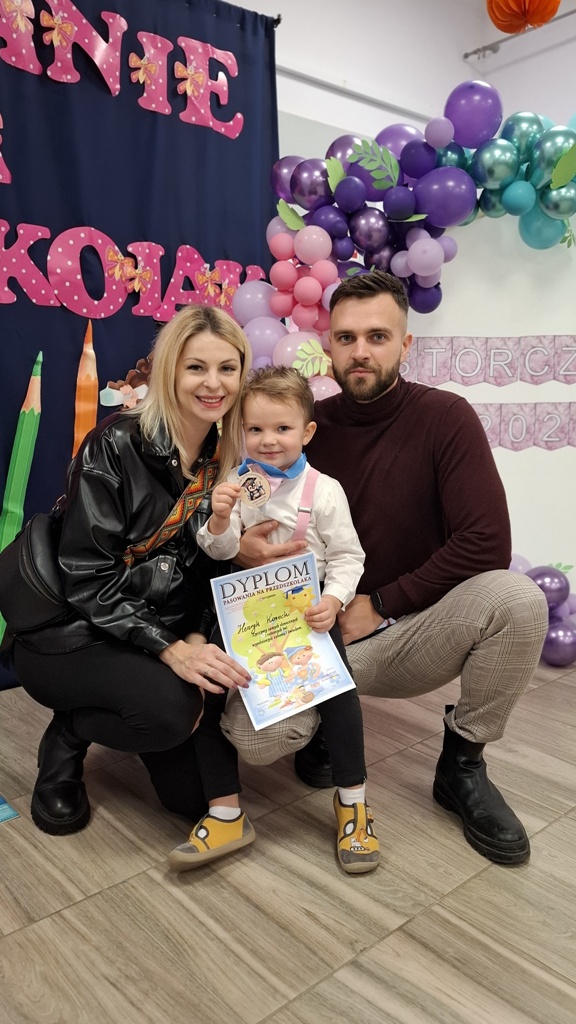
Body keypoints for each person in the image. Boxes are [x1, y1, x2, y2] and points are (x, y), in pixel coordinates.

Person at [220, 271, 549, 867]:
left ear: (405, 344)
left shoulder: (446, 417)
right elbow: (242, 505)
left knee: (518, 600)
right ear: (329, 344)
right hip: (313, 630)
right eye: (346, 338)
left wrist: (380, 603)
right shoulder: (298, 427)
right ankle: (324, 727)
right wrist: (239, 547)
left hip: (410, 629)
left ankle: (463, 766)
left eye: (378, 336)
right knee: (254, 740)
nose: (361, 352)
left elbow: (487, 543)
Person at [11, 305, 254, 837]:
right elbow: (88, 579)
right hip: (72, 632)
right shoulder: (116, 443)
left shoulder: (226, 457)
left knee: (194, 799)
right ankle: (69, 734)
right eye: (196, 367)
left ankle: (145, 705)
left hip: (150, 631)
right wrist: (172, 650)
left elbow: (204, 569)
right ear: (169, 370)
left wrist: (196, 635)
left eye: (227, 368)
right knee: (169, 714)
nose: (213, 384)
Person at [167, 366, 379, 874]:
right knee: (207, 690)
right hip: (242, 613)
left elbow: (349, 556)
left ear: (307, 432)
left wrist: (335, 600)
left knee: (341, 697)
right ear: (240, 430)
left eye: (282, 428)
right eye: (256, 429)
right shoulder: (235, 484)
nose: (268, 440)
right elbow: (219, 551)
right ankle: (225, 810)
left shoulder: (325, 490)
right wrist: (221, 519)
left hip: (308, 615)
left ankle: (353, 803)